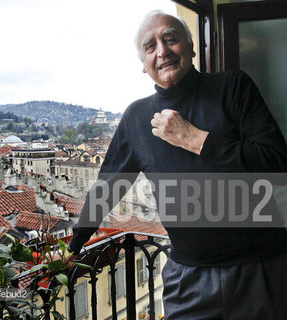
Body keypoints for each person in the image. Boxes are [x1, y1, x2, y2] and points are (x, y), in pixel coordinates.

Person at [67, 10, 287, 319]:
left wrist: (196, 139)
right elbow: (109, 186)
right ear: (143, 65)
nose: (162, 51)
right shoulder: (136, 118)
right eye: (150, 46)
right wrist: (75, 244)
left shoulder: (232, 87)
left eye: (170, 38)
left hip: (260, 269)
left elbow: (277, 165)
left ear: (191, 46)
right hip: (188, 278)